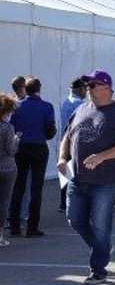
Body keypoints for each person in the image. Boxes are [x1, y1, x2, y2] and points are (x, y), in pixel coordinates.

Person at [59, 70, 115, 285]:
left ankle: (98, 269)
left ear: (105, 88)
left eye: (91, 86)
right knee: (74, 219)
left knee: (101, 225)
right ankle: (102, 247)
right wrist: (62, 158)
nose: (87, 90)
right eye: (87, 86)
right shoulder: (82, 109)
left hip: (104, 180)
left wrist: (102, 156)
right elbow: (67, 136)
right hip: (77, 177)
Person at [9, 76, 57, 237]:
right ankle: (32, 227)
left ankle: (14, 225)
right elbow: (50, 132)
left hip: (20, 147)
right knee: (36, 189)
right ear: (39, 89)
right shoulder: (47, 107)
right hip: (39, 147)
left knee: (18, 187)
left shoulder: (17, 106)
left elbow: (12, 128)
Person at [59, 77, 88, 212]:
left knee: (66, 173)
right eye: (86, 89)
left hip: (65, 141)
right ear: (81, 89)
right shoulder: (80, 104)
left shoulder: (66, 102)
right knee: (78, 175)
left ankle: (63, 203)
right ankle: (75, 204)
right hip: (76, 143)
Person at [0, 93, 20, 247]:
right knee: (3, 202)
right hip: (6, 168)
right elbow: (11, 150)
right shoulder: (8, 128)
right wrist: (16, 139)